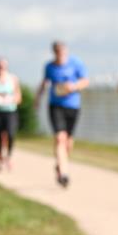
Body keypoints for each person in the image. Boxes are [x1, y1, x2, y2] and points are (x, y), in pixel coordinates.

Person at [35, 41, 89, 187]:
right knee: (60, 138)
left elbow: (85, 81)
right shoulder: (49, 67)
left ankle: (60, 163)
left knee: (68, 142)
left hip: (73, 106)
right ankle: (64, 173)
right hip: (55, 106)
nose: (60, 54)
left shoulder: (76, 63)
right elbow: (44, 83)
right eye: (57, 51)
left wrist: (74, 86)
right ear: (54, 52)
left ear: (66, 51)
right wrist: (37, 99)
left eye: (62, 51)